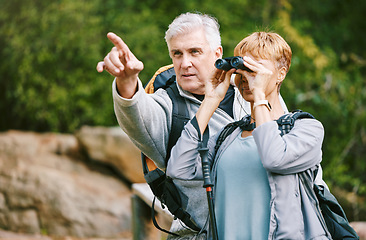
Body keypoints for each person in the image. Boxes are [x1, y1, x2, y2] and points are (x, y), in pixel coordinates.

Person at [96, 12, 287, 239]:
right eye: (177, 53)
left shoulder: (249, 91)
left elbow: (287, 152)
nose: (184, 63)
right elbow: (138, 118)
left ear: (217, 53)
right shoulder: (168, 106)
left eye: (194, 51)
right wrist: (126, 83)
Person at [167, 31, 330, 239]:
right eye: (243, 69)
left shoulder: (306, 129)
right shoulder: (228, 137)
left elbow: (274, 158)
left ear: (281, 73)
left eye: (255, 69)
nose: (246, 77)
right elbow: (178, 169)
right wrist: (210, 100)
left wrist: (259, 94)